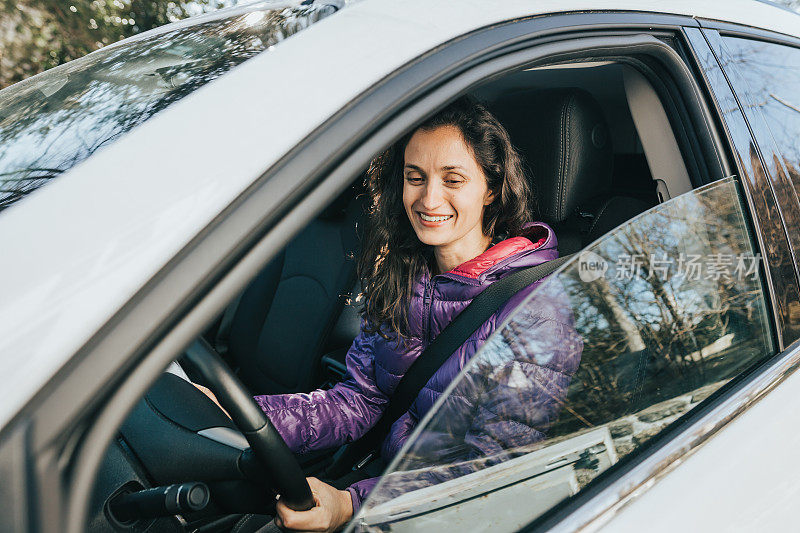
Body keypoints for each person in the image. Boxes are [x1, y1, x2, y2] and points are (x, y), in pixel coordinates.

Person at [254, 97, 582, 532]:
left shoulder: (537, 311)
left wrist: (352, 505)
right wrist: (246, 416)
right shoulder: (403, 275)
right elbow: (359, 401)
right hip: (384, 490)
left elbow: (486, 474)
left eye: (453, 179)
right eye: (415, 178)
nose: (429, 198)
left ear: (490, 188)